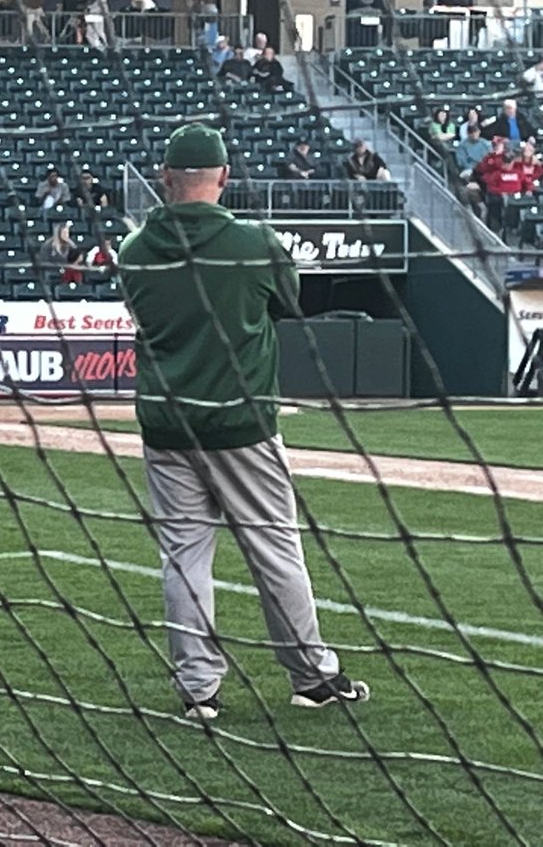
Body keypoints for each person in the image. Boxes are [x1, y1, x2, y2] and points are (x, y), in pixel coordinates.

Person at [117, 122, 370, 720]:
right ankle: (310, 677)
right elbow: (289, 299)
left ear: (165, 178)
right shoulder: (256, 241)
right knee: (275, 549)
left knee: (183, 556)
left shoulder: (134, 251)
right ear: (224, 178)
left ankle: (199, 690)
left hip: (167, 424)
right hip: (241, 423)